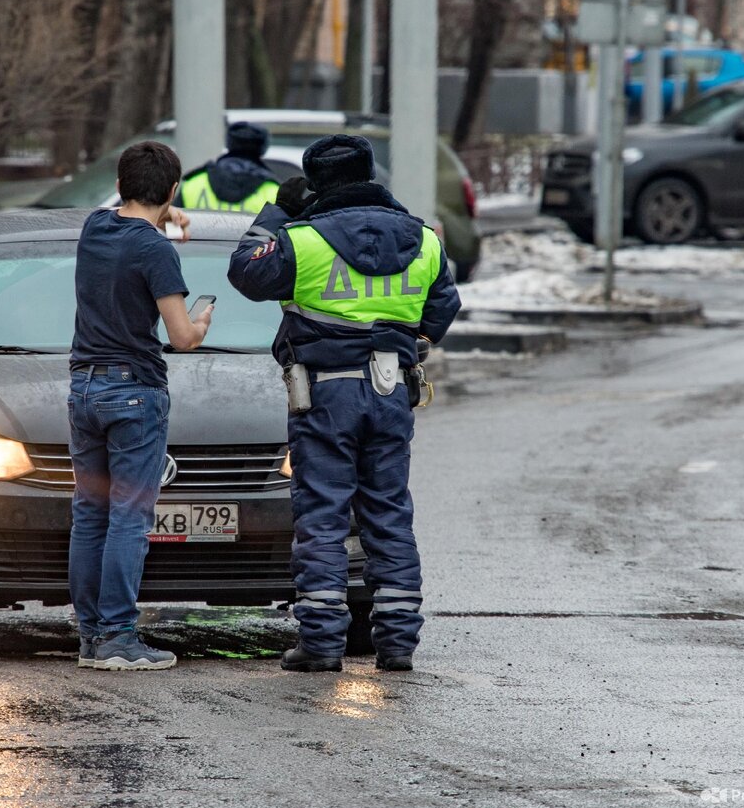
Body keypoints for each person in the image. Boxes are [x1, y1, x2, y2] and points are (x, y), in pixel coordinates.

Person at [228, 135, 462, 673]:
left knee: (323, 517)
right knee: (388, 513)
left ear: (317, 183)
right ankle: (398, 643)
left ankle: (323, 643)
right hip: (390, 391)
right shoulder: (424, 239)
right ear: (370, 173)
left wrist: (278, 212)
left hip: (325, 395)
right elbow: (440, 315)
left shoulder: (302, 239)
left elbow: (245, 271)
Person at [68, 140, 213, 671]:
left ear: (120, 184)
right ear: (172, 189)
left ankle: (90, 636)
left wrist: (163, 210)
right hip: (134, 390)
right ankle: (118, 638)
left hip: (84, 387)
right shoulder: (155, 250)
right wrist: (201, 322)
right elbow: (180, 338)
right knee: (130, 516)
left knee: (90, 514)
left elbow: (132, 212)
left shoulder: (93, 229)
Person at [174, 121, 280, 214]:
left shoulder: (194, 183)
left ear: (229, 142)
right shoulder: (273, 190)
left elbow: (172, 226)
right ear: (263, 147)